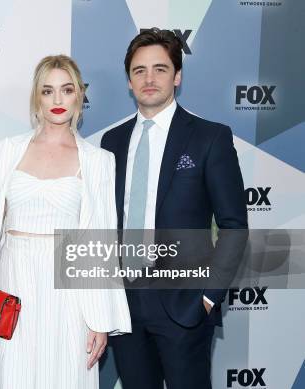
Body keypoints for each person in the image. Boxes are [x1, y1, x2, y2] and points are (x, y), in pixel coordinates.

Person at [0, 55, 131, 389]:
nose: (58, 100)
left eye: (66, 90)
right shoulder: (6, 150)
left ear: (78, 95)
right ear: (37, 97)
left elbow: (99, 244)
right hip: (15, 285)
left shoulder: (98, 161)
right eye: (48, 91)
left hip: (71, 294)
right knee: (15, 377)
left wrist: (99, 321)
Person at [101, 28, 248, 389]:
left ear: (177, 76)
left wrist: (207, 299)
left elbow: (234, 226)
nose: (149, 79)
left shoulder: (210, 137)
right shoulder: (111, 142)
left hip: (184, 305)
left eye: (160, 69)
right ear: (129, 81)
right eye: (139, 70)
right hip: (123, 305)